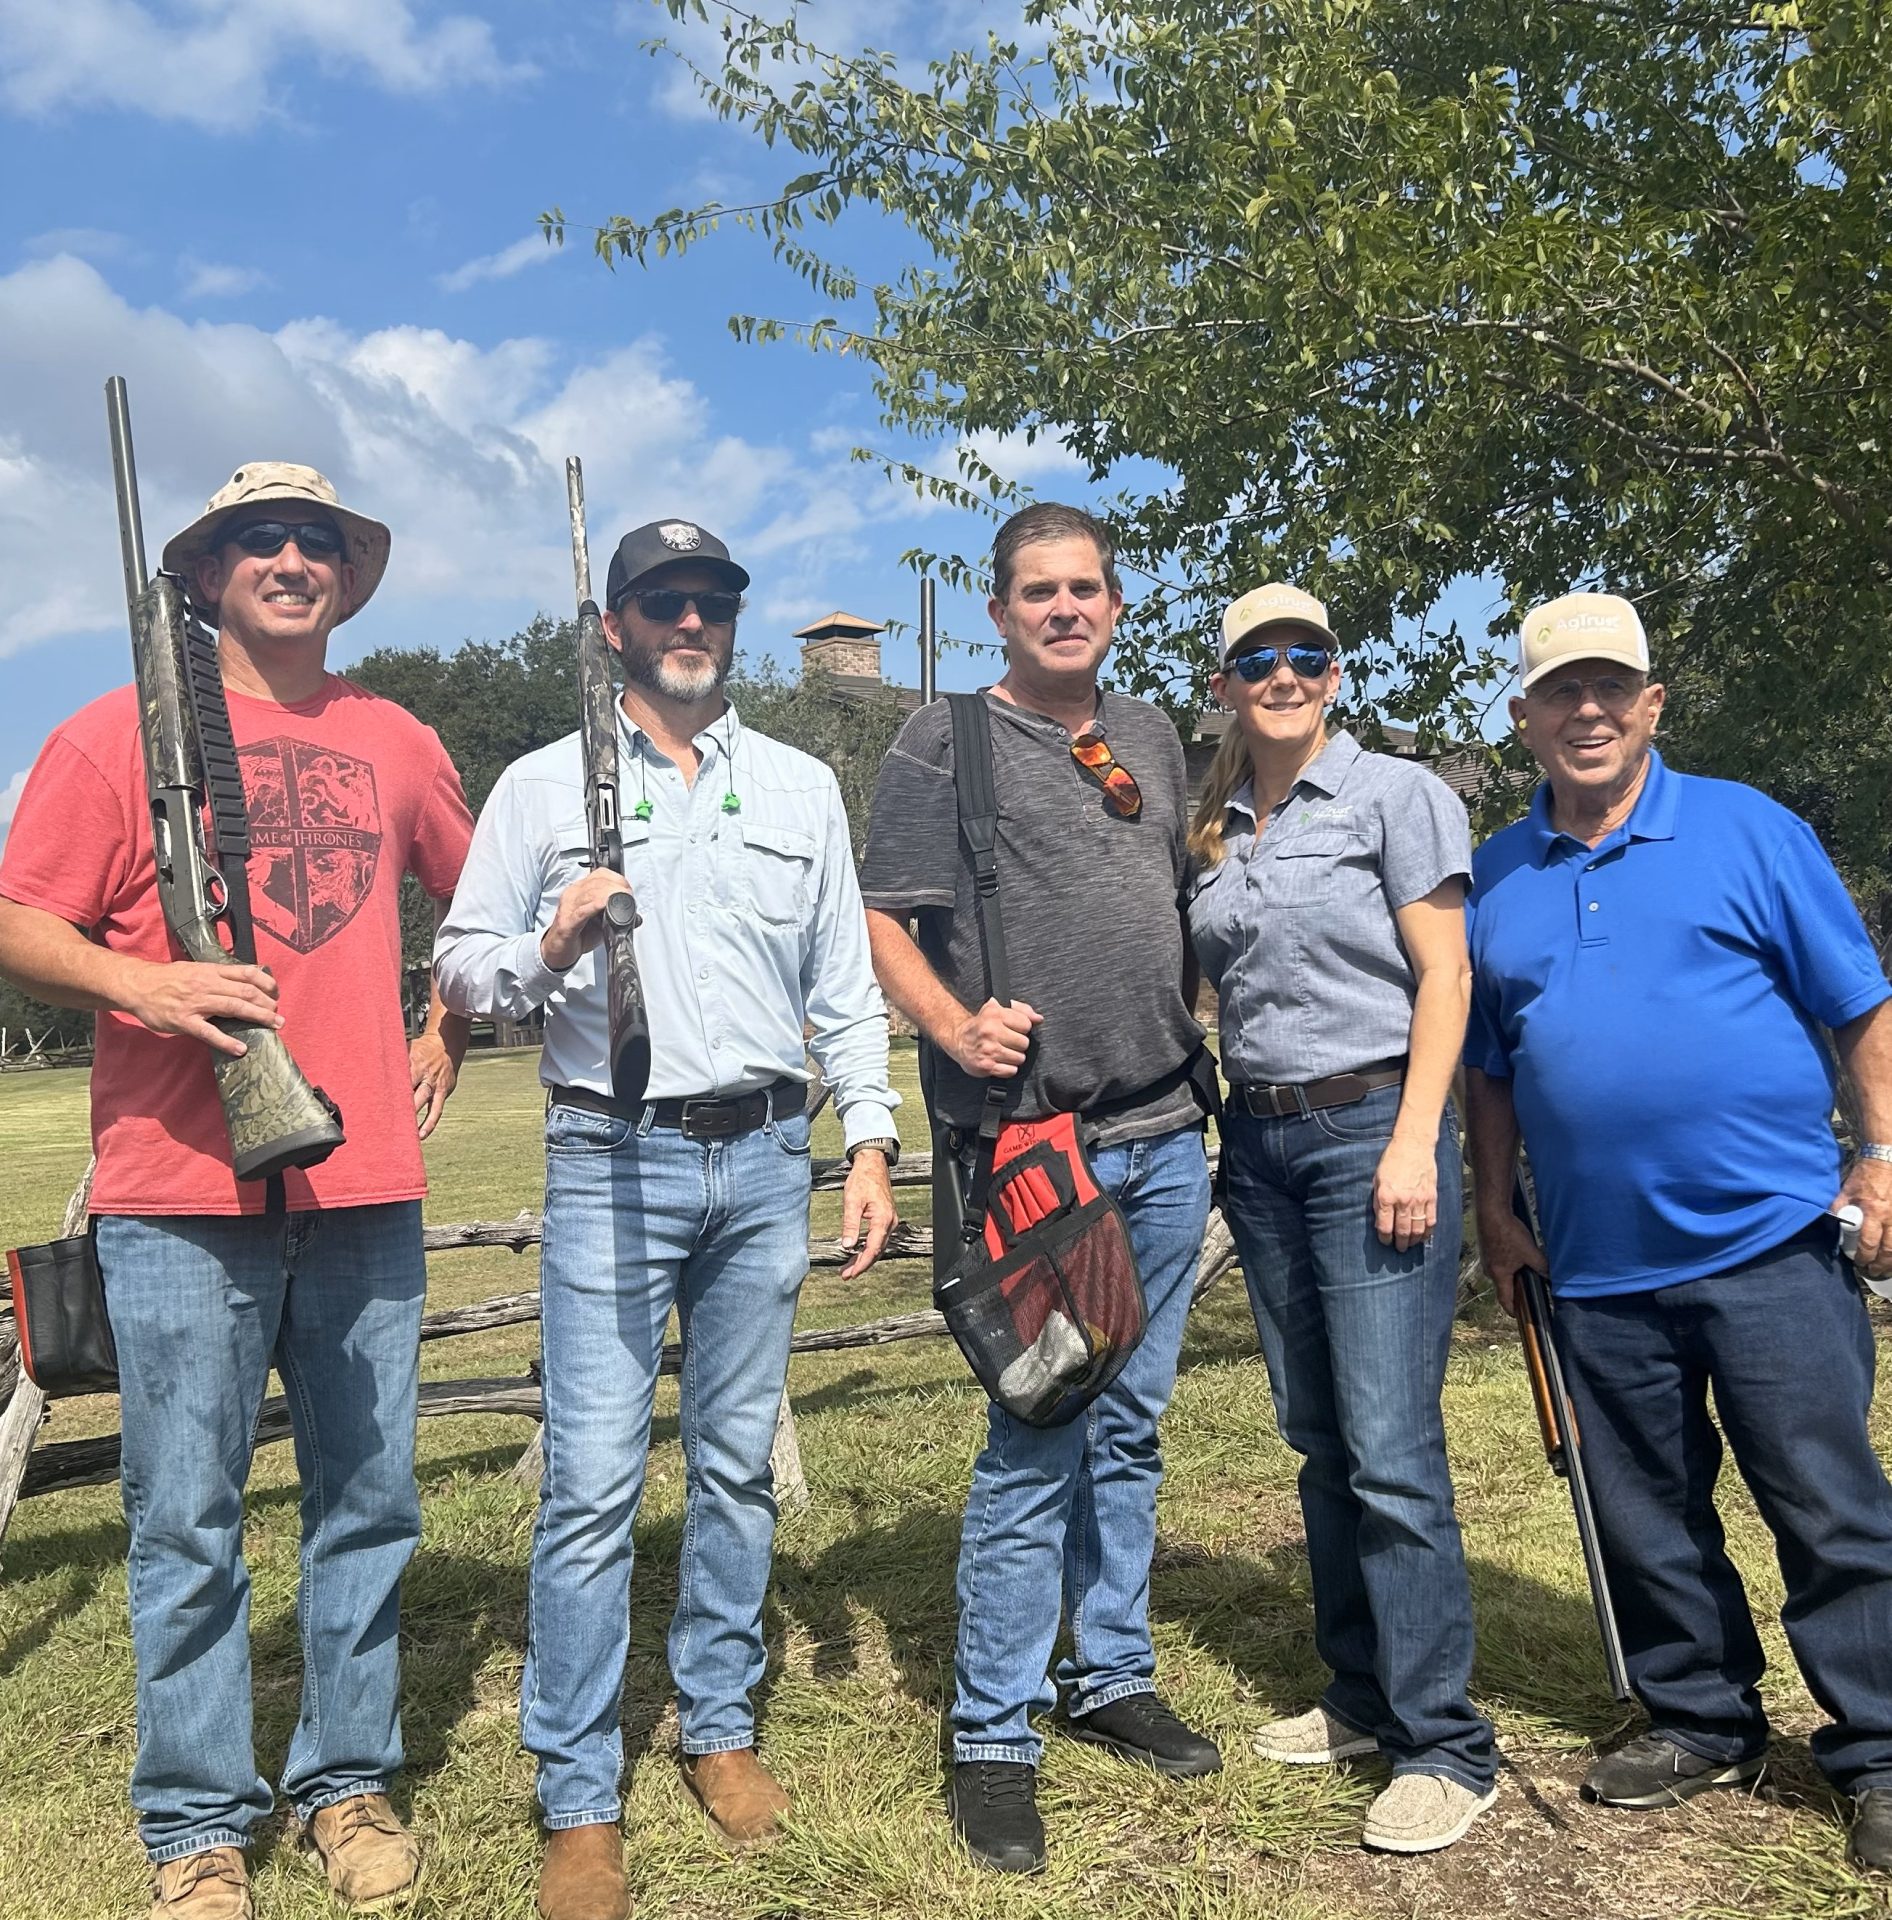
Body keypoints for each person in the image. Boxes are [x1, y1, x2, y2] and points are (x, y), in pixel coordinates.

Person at [0, 464, 473, 1920]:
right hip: (173, 1197)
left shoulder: (396, 737)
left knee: (368, 1503)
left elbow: (489, 900)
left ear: (345, 574)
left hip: (361, 1184)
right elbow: (16, 915)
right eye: (255, 539)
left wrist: (446, 1023)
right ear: (203, 576)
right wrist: (142, 981)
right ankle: (198, 1824)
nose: (288, 556)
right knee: (187, 1518)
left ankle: (347, 1783)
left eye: (315, 539)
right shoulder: (108, 737)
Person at [434, 517, 901, 1920]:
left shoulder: (803, 785)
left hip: (765, 1158)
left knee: (737, 1468)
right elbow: (460, 973)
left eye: (711, 601)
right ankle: (578, 1795)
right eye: (663, 601)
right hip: (612, 1155)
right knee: (587, 1482)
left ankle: (718, 1728)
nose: (690, 620)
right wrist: (551, 941)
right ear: (614, 627)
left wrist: (870, 1135)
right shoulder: (537, 789)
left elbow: (842, 979)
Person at [1463, 591, 1892, 1870]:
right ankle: (1702, 1717)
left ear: (1651, 705)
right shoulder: (1494, 874)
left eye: (1610, 689)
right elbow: (1489, 1069)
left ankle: (1874, 1749)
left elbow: (1860, 1008)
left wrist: (1879, 1156)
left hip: (1767, 1242)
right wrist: (1495, 1208)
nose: (1585, 712)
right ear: (1524, 717)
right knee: (1642, 1509)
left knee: (1824, 1506)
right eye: (1559, 692)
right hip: (1592, 1263)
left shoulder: (1747, 831)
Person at [859, 501, 1219, 1875]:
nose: (1062, 608)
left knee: (1127, 1428)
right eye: (1035, 591)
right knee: (1037, 1434)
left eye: (1085, 589)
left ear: (1117, 607)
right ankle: (994, 1735)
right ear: (1000, 609)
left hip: (1165, 1133)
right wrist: (951, 1031)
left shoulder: (1150, 738)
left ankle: (1107, 1673)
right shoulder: (941, 740)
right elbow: (883, 914)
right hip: (1035, 1148)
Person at [1184, 582, 1497, 1852]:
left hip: (1369, 1130)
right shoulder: (1214, 826)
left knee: (1388, 1446)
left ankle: (1443, 1743)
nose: (1281, 673)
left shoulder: (1396, 796)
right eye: (1255, 657)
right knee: (1317, 1437)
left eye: (1304, 653)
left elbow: (1446, 973)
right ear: (1222, 683)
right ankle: (1359, 1694)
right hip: (1256, 1143)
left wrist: (1417, 1137)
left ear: (1333, 671)